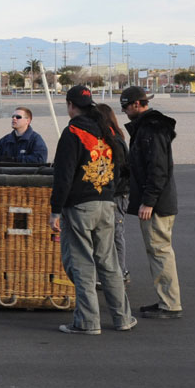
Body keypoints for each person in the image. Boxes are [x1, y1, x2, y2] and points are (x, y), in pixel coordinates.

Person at [48, 86, 136, 335]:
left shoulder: (73, 131)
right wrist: (108, 191)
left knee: (80, 263)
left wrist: (55, 210)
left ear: (70, 105)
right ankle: (123, 317)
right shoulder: (108, 130)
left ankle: (87, 321)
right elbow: (120, 166)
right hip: (106, 203)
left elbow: (63, 175)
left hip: (80, 205)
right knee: (109, 263)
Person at [120, 86, 183, 319]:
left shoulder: (151, 130)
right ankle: (166, 300)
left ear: (137, 104)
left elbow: (158, 169)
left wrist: (148, 202)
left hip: (157, 204)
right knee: (158, 250)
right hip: (158, 201)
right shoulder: (149, 128)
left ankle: (169, 304)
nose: (124, 111)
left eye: (125, 106)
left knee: (160, 251)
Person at [95, 103, 131, 285]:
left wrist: (108, 191)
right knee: (107, 233)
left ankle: (121, 271)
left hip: (117, 193)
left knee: (116, 232)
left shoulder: (115, 140)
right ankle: (111, 272)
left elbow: (119, 171)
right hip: (113, 192)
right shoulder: (108, 138)